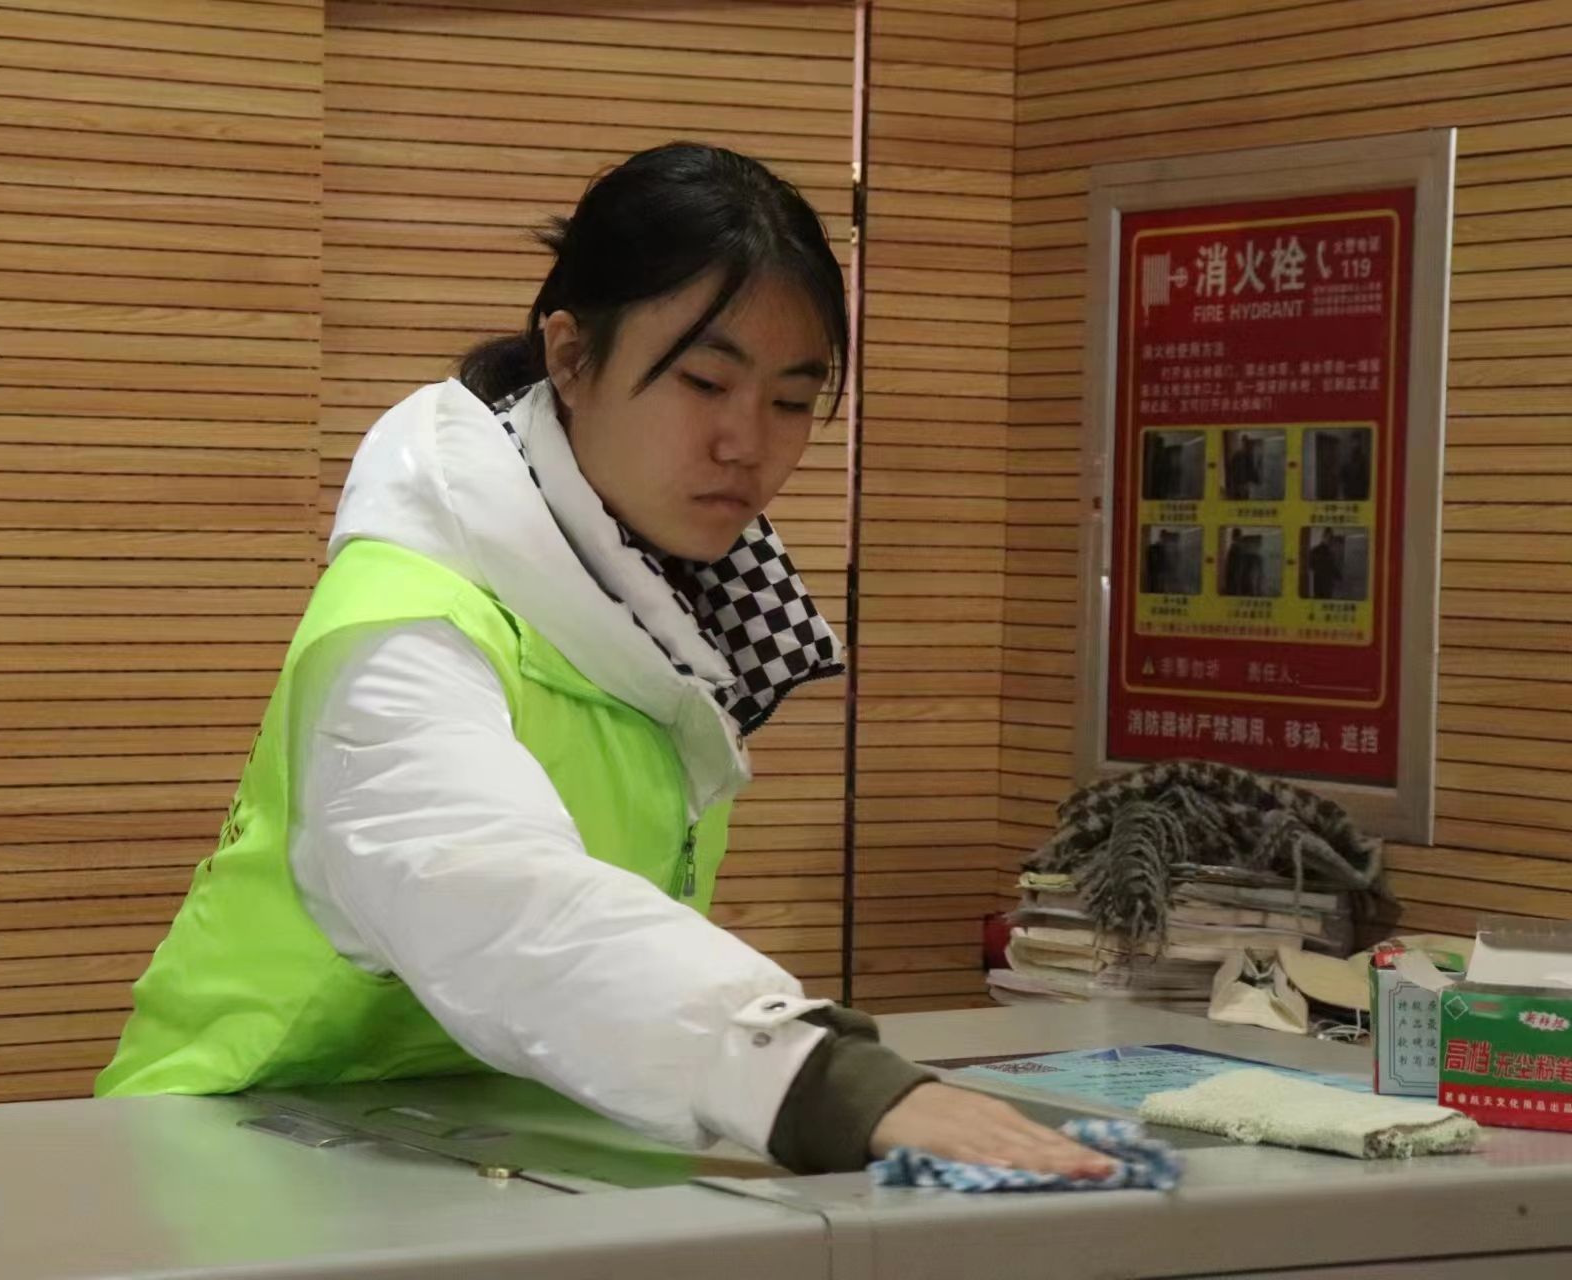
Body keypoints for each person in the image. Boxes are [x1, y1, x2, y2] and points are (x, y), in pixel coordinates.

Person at [95, 144, 1110, 1181]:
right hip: (233, 1154)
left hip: (475, 1148)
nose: (746, 443)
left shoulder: (671, 607)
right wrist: (809, 1078)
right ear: (572, 359)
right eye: (706, 382)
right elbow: (489, 895)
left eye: (792, 401)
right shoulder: (408, 612)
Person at [1307, 530, 1344, 600]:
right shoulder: (1329, 552)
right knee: (1325, 600)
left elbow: (1311, 566)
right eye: (1328, 537)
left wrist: (1339, 577)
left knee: (1319, 600)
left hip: (1319, 582)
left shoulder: (1315, 550)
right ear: (1324, 537)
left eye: (1329, 538)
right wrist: (1340, 577)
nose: (1328, 540)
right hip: (1326, 583)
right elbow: (1333, 568)